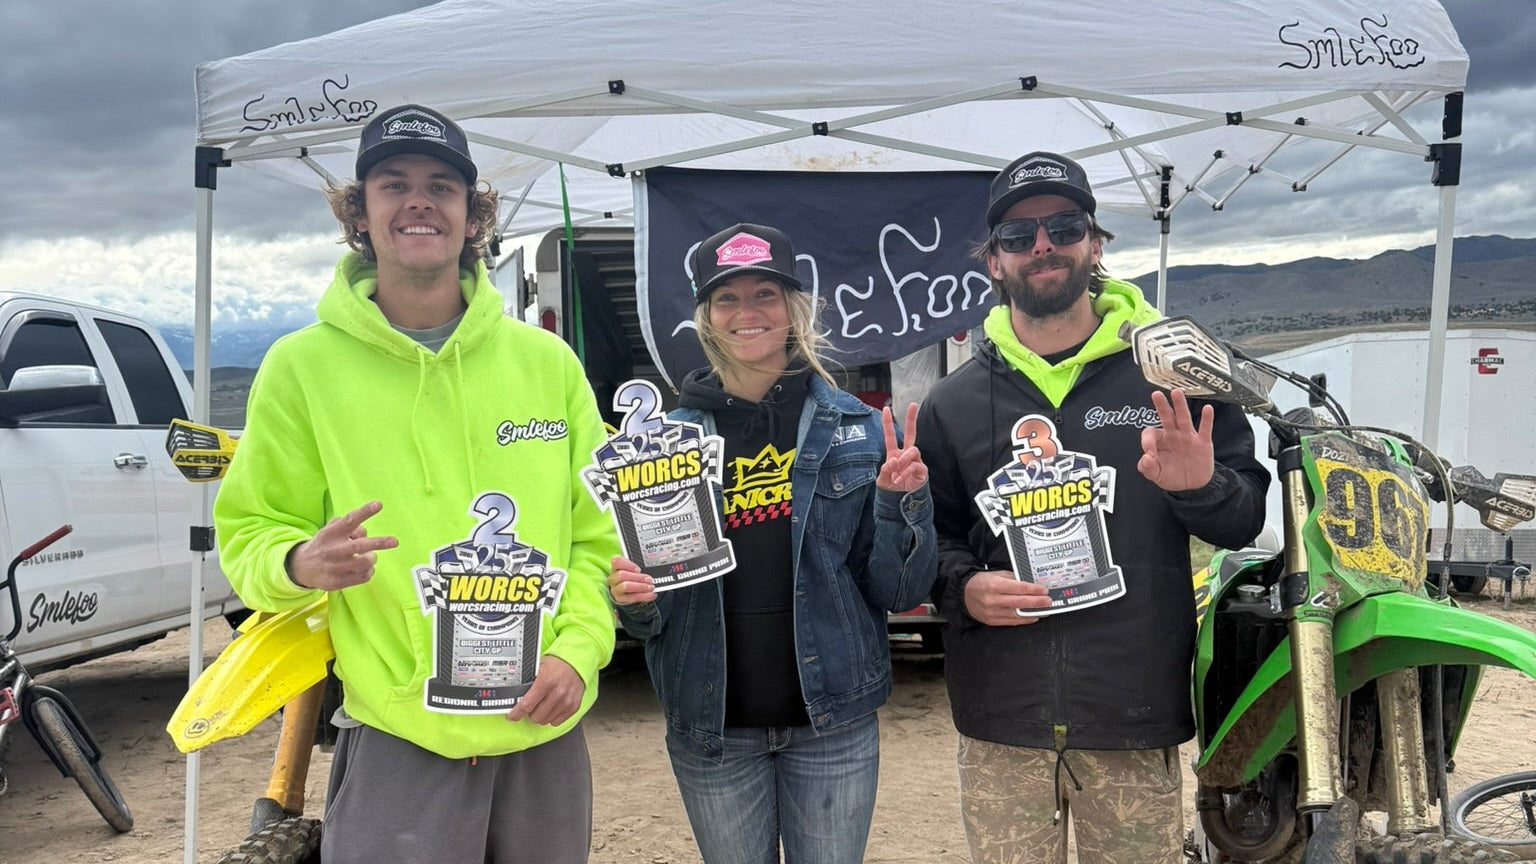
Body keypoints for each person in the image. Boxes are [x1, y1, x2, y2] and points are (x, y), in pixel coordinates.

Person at [213, 104, 620, 864]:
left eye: (442, 186)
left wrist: (580, 649)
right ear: (359, 214)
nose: (419, 202)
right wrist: (298, 562)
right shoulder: (301, 368)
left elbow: (599, 535)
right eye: (393, 184)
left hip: (541, 723)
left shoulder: (548, 365)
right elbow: (249, 532)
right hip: (398, 732)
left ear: (473, 217)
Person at [915, 152, 1270, 864]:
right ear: (994, 261)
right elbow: (932, 538)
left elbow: (1242, 521)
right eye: (1019, 236)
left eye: (1064, 227)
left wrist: (1198, 486)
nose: (1043, 245)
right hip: (1003, 720)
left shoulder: (1170, 377)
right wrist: (964, 587)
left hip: (1130, 714)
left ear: (1095, 245)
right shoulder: (951, 403)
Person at [607, 223, 938, 864]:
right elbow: (648, 620)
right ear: (706, 317)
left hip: (833, 722)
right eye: (727, 298)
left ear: (794, 308)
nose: (747, 311)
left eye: (765, 293)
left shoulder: (857, 429)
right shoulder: (660, 449)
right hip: (713, 726)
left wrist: (901, 504)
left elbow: (899, 591)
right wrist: (632, 599)